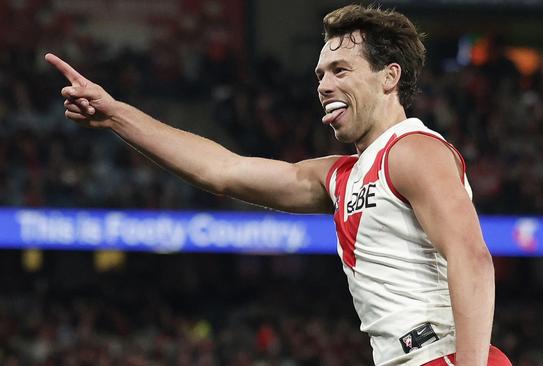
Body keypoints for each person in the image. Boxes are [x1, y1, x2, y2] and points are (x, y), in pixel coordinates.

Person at [46, 5, 511, 366]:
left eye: (341, 70)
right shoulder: (341, 175)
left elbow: (471, 259)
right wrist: (115, 115)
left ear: (390, 76)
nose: (324, 85)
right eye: (320, 76)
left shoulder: (414, 152)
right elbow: (222, 171)